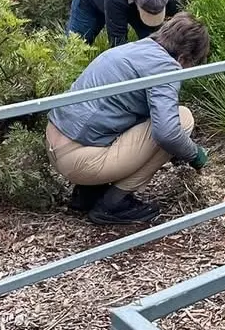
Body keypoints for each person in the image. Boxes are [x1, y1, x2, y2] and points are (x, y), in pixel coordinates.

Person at [46, 13, 212, 224]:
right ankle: (114, 204)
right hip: (80, 159)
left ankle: (89, 192)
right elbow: (167, 133)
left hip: (56, 144)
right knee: (182, 119)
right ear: (183, 59)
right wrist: (194, 155)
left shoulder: (136, 49)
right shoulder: (165, 66)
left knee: (138, 116)